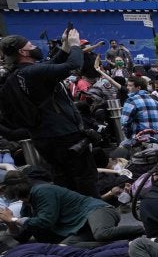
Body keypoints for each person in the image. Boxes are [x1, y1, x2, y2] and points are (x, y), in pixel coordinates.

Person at [0, 31, 99, 196]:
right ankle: (94, 210)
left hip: (43, 137)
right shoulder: (32, 72)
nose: (34, 47)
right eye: (31, 45)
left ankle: (72, 209)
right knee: (85, 178)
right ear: (23, 52)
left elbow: (52, 65)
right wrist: (75, 45)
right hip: (64, 136)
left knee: (64, 180)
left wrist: (65, 47)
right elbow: (73, 65)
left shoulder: (18, 75)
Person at [0, 171, 144, 245]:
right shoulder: (27, 206)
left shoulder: (42, 191)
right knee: (66, 247)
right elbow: (24, 236)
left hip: (96, 210)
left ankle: (146, 229)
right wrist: (9, 222)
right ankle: (124, 245)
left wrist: (14, 219)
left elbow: (46, 221)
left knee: (102, 233)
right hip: (80, 226)